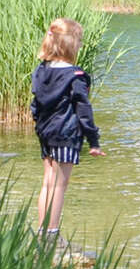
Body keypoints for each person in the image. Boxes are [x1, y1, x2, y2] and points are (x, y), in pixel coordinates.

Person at [30, 18, 103, 236]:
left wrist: (40, 125)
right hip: (66, 134)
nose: (80, 45)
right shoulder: (76, 76)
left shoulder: (41, 70)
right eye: (79, 41)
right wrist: (94, 141)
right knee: (59, 185)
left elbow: (35, 104)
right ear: (70, 44)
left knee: (47, 183)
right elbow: (84, 110)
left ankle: (42, 230)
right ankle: (52, 233)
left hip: (45, 132)